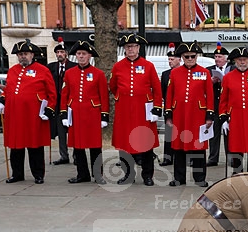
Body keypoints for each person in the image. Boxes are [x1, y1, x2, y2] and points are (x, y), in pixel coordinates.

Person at [0, 39, 56, 184]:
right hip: (15, 115)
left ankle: (38, 174)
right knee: (15, 145)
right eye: (20, 54)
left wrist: (49, 110)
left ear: (32, 55)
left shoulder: (43, 70)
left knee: (35, 145)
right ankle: (17, 174)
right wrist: (2, 100)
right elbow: (8, 89)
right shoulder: (12, 70)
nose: (22, 56)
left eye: (25, 54)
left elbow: (52, 93)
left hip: (33, 115)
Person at [110, 33, 162, 186]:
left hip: (143, 111)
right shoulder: (118, 66)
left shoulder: (148, 66)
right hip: (124, 111)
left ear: (138, 48)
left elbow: (157, 89)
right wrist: (122, 96)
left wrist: (156, 108)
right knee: (124, 144)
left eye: (133, 46)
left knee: (146, 143)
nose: (130, 49)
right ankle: (128, 175)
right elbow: (113, 86)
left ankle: (147, 176)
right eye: (128, 47)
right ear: (124, 49)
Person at [164, 41, 214, 187]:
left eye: (193, 56)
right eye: (187, 56)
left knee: (198, 146)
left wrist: (209, 115)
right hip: (179, 114)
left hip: (197, 115)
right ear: (182, 57)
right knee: (178, 146)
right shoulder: (174, 73)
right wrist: (168, 114)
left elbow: (210, 95)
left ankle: (199, 178)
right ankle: (179, 178)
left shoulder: (204, 72)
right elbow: (170, 94)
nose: (190, 59)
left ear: (197, 57)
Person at [59, 41, 109, 184]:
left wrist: (104, 115)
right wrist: (64, 113)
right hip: (75, 114)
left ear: (89, 56)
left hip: (92, 114)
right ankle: (82, 174)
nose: (81, 56)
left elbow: (104, 96)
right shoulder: (69, 73)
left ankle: (98, 175)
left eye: (84, 54)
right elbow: (65, 94)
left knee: (95, 146)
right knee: (78, 146)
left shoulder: (98, 74)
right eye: (79, 54)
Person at [47, 39, 77, 165]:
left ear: (66, 54)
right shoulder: (51, 67)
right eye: (58, 52)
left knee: (74, 131)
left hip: (71, 104)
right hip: (57, 104)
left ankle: (77, 155)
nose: (59, 54)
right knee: (60, 132)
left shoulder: (74, 66)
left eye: (62, 52)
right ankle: (64, 156)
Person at [206, 43, 233, 167]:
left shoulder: (233, 69)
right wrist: (210, 82)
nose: (217, 59)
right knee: (214, 134)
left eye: (220, 57)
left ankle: (231, 158)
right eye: (216, 57)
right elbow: (202, 88)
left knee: (229, 134)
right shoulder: (209, 70)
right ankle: (213, 158)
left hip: (228, 107)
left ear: (226, 58)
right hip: (215, 106)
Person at [159, 43, 181, 167]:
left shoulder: (183, 72)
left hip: (180, 107)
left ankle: (183, 157)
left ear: (179, 60)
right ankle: (168, 158)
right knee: (168, 134)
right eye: (169, 59)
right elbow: (163, 91)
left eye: (172, 59)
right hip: (169, 107)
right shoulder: (165, 74)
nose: (170, 61)